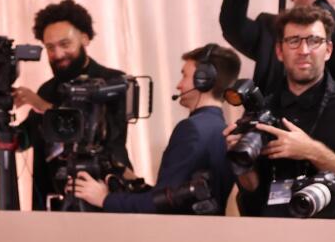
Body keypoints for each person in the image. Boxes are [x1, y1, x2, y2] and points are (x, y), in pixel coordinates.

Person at [0, 0, 130, 210]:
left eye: (65, 44)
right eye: (50, 47)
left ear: (85, 38)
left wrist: (44, 107)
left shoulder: (114, 82)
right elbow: (24, 140)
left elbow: (105, 135)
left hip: (101, 199)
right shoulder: (48, 89)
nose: (58, 54)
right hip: (49, 204)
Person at [230, 5, 335, 218]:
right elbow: (254, 193)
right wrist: (242, 165)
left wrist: (311, 150)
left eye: (314, 41)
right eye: (293, 41)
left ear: (328, 50)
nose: (303, 50)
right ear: (279, 51)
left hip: (333, 236)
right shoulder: (264, 108)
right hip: (270, 231)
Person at [73, 44, 239, 215]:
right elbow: (178, 196)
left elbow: (161, 204)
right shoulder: (223, 130)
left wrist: (104, 199)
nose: (179, 85)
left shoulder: (192, 129)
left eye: (184, 76)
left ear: (203, 80)